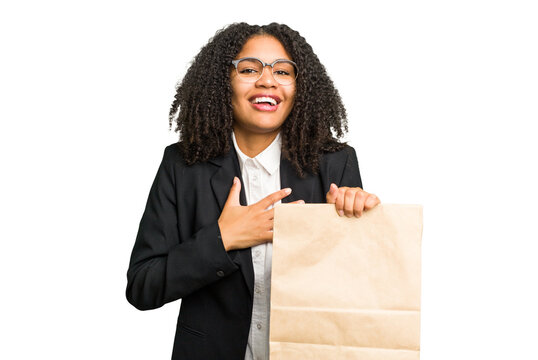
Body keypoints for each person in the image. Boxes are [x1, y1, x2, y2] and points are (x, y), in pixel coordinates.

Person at [126, 22, 380, 360]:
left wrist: (354, 226)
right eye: (249, 69)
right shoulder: (182, 165)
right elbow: (143, 286)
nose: (267, 80)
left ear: (298, 87)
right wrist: (222, 238)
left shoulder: (335, 163)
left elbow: (358, 290)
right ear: (222, 83)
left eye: (283, 71)